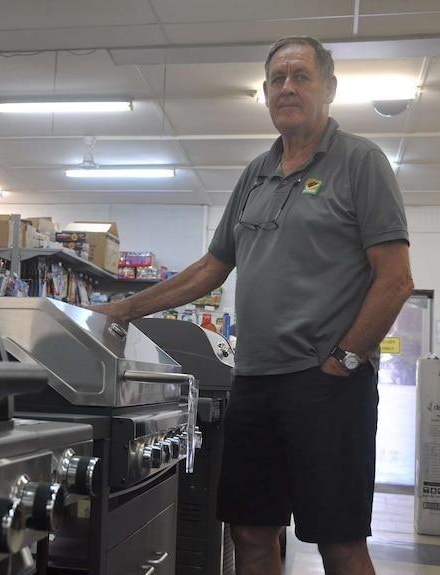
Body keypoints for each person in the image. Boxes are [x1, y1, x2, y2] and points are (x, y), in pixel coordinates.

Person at [91, 36, 414, 575]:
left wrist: (345, 360)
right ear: (265, 93)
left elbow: (396, 279)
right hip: (255, 381)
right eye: (278, 79)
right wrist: (121, 310)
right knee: (250, 531)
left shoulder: (361, 162)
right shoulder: (255, 175)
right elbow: (210, 269)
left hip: (327, 386)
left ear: (329, 88)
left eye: (302, 76)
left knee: (339, 542)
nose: (288, 87)